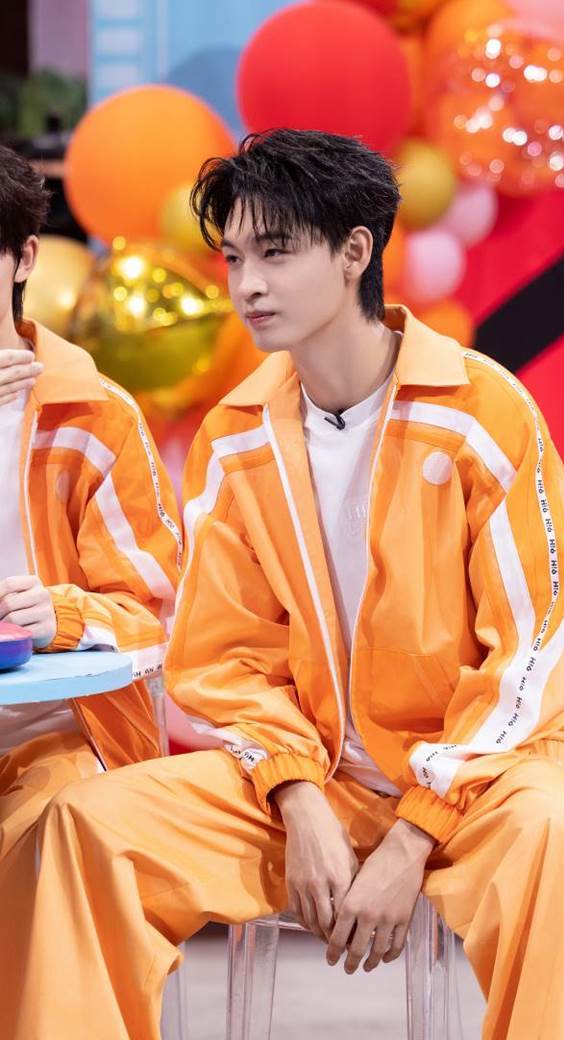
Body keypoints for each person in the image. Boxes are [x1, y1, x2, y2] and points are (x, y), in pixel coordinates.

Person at [1, 130, 564, 1040]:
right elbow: (222, 659)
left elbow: (530, 652)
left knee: (556, 834)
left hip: (486, 781)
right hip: (312, 778)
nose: (247, 284)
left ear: (354, 251)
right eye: (234, 258)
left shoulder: (482, 409)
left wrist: (414, 832)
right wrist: (296, 794)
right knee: (86, 828)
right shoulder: (236, 433)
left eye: (275, 253)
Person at [0, 144, 182, 862]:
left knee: (61, 828)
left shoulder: (94, 415)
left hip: (61, 735)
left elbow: (158, 611)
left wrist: (63, 616)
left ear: (24, 257)